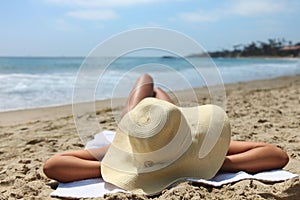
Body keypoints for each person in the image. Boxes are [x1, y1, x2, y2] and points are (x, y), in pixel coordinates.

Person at [43, 74, 289, 183]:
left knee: (144, 91)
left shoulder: (126, 149)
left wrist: (117, 168)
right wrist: (211, 163)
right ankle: (156, 90)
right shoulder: (199, 146)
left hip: (149, 136)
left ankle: (152, 86)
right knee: (159, 103)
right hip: (165, 132)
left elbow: (53, 165)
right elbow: (276, 154)